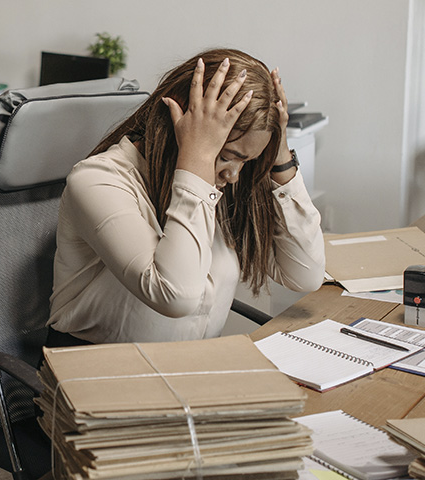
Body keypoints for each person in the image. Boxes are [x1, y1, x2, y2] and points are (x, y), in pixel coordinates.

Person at [47, 48, 326, 346]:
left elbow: (304, 275)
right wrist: (197, 158)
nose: (234, 175)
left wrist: (279, 153)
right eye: (229, 156)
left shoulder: (226, 185)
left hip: (188, 371)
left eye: (247, 161)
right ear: (179, 125)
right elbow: (175, 295)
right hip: (98, 375)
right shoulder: (97, 180)